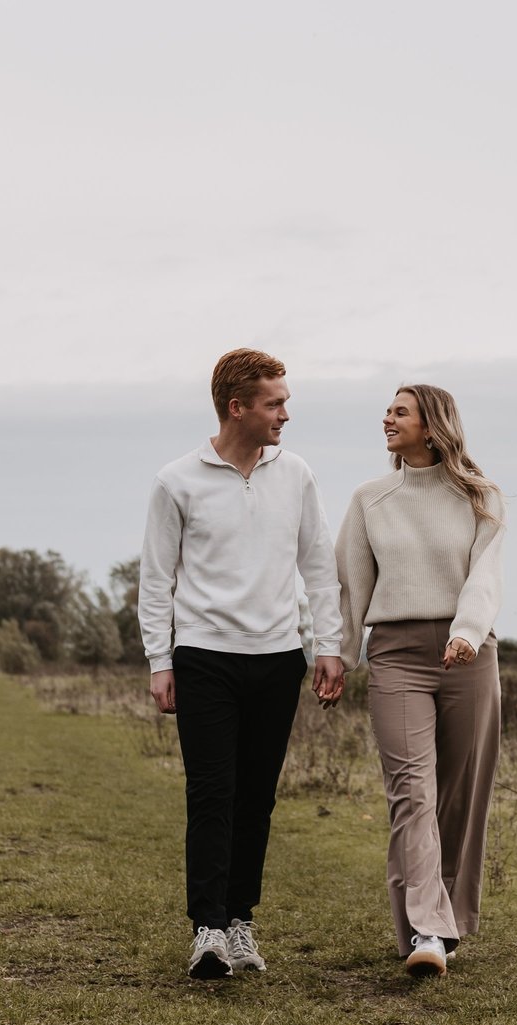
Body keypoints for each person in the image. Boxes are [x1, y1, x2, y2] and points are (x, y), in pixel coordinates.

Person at [139, 347, 346, 979]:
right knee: (211, 794)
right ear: (238, 407)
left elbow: (319, 566)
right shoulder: (178, 480)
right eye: (275, 403)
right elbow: (157, 578)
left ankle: (240, 922)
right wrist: (158, 658)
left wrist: (329, 645)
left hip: (279, 657)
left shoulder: (297, 474)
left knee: (256, 799)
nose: (286, 413)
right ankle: (206, 929)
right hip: (204, 658)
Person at [336, 383, 504, 977]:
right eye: (388, 411)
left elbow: (485, 574)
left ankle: (445, 923)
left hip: (469, 655)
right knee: (413, 792)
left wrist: (467, 630)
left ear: (431, 426)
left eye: (399, 411)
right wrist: (338, 655)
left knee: (459, 798)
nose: (386, 418)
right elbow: (351, 587)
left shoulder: (481, 497)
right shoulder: (369, 500)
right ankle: (426, 930)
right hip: (397, 656)